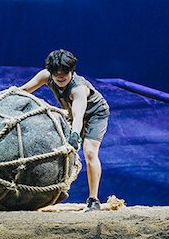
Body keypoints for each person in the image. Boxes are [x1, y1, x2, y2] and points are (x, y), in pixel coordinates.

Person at [20, 49, 110, 211]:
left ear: (72, 71)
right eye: (56, 73)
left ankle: (93, 200)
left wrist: (75, 135)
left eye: (65, 72)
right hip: (70, 113)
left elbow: (78, 116)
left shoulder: (78, 89)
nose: (60, 76)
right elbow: (23, 91)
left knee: (89, 152)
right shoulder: (45, 76)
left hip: (94, 114)